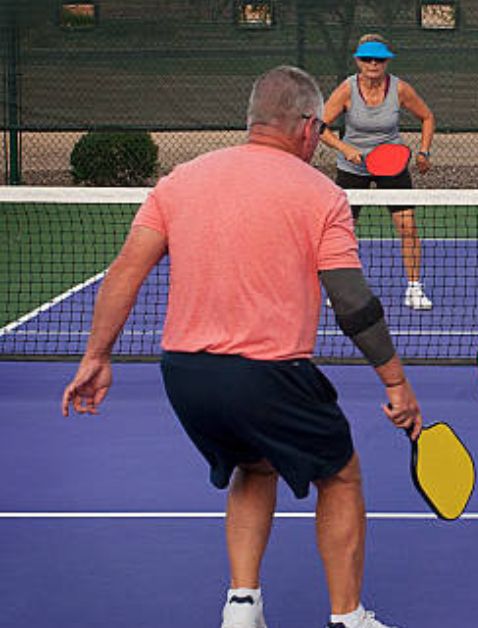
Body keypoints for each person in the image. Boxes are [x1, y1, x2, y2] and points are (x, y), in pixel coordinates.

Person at [60, 66, 417, 628]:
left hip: (184, 376)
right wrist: (395, 381)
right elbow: (352, 302)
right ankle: (348, 618)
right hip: (268, 374)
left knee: (255, 466)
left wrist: (96, 357)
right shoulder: (322, 194)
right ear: (306, 127)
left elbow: (126, 270)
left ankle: (242, 607)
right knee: (341, 474)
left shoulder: (181, 180)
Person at [321, 33, 437, 310]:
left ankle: (414, 288)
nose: (373, 64)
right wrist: (344, 148)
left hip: (391, 165)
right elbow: (320, 126)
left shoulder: (399, 89)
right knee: (344, 230)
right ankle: (340, 289)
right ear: (358, 61)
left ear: (386, 62)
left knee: (407, 226)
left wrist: (424, 151)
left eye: (379, 59)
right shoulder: (347, 90)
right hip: (352, 166)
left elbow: (427, 116)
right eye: (367, 59)